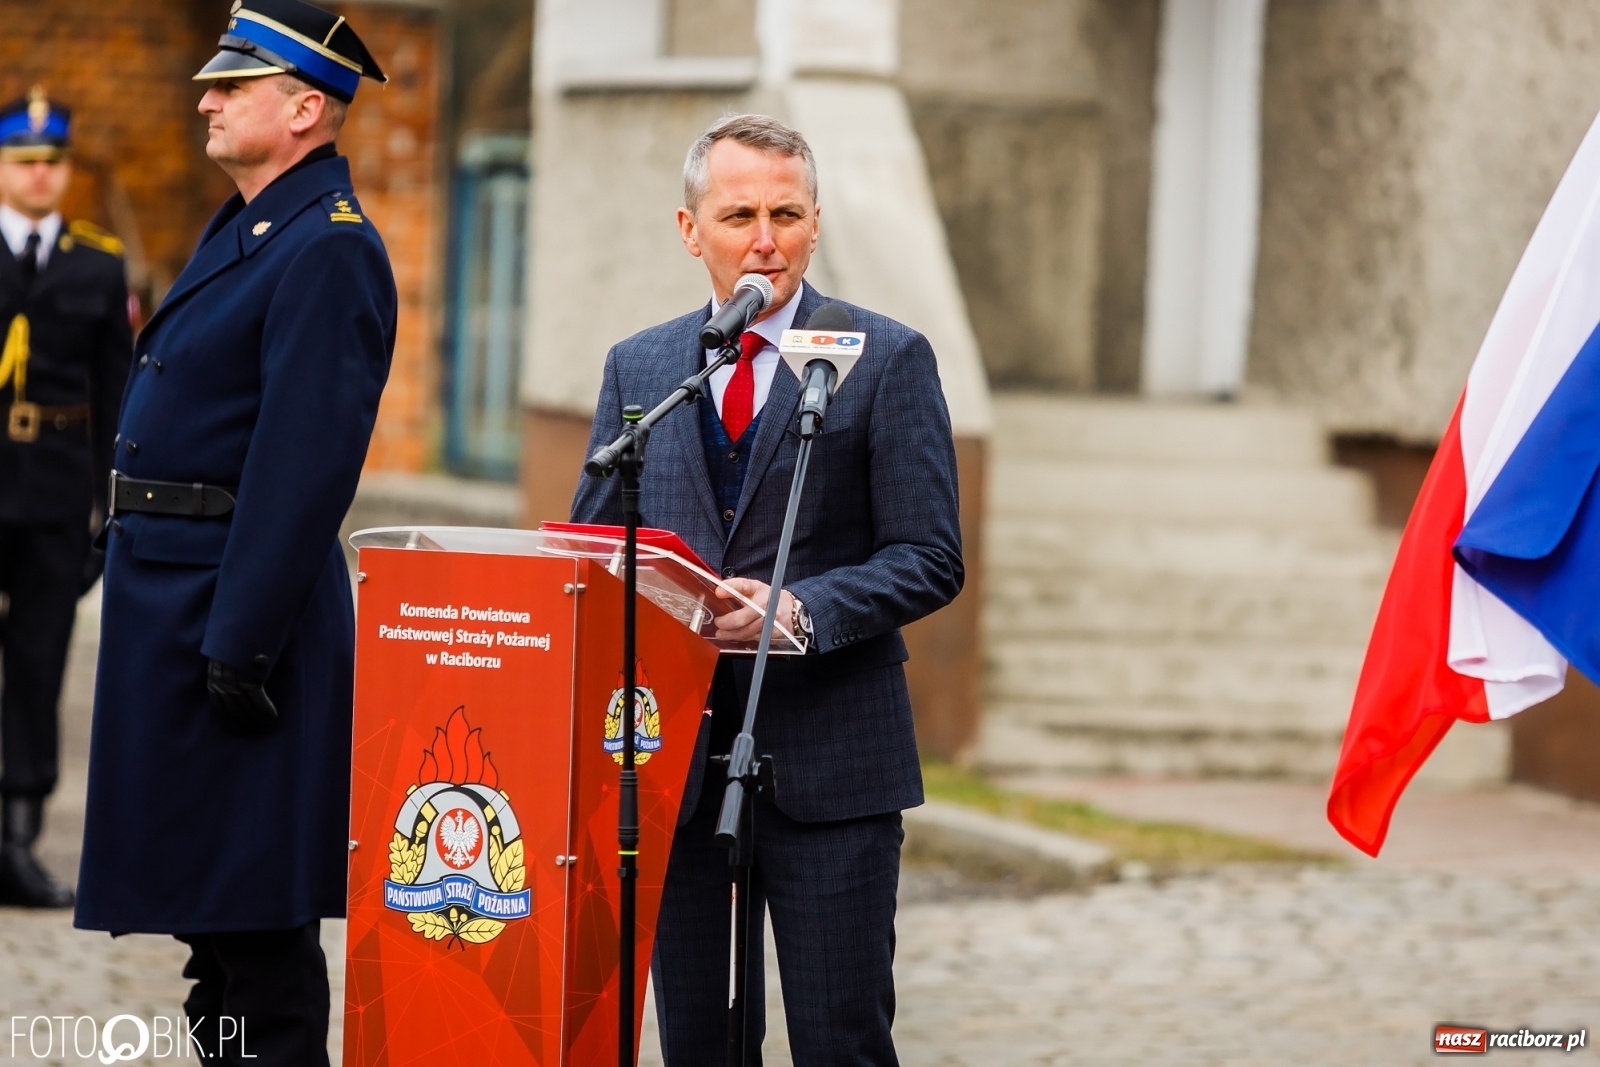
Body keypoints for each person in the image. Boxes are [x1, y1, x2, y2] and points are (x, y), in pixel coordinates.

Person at [571, 114, 964, 1065]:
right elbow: (592, 546)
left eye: (786, 215)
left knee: (841, 1042)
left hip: (832, 764)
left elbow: (930, 554)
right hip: (675, 765)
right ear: (689, 229)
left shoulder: (886, 357)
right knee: (699, 1044)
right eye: (738, 214)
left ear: (815, 224)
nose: (764, 239)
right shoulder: (641, 366)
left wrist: (801, 609)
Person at [73, 1, 395, 1062]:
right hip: (179, 601)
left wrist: (240, 642)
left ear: (304, 109)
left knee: (256, 927)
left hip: (238, 623)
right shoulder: (253, 222)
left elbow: (303, 467)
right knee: (210, 923)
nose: (205, 99)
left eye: (233, 84)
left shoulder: (330, 248)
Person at [0, 88, 131, 909]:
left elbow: (116, 397)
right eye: (24, 161)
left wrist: (109, 508)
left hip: (53, 493)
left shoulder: (99, 263)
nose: (40, 175)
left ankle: (17, 836)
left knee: (39, 660)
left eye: (52, 162)